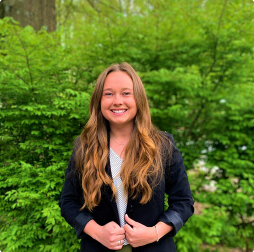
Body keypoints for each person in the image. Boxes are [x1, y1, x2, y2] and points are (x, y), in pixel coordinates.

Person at [59, 62, 194, 252]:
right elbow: (68, 203)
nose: (117, 101)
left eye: (126, 93)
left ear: (138, 98)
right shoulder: (84, 147)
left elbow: (184, 202)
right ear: (99, 100)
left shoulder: (163, 146)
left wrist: (155, 232)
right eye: (108, 94)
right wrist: (97, 232)